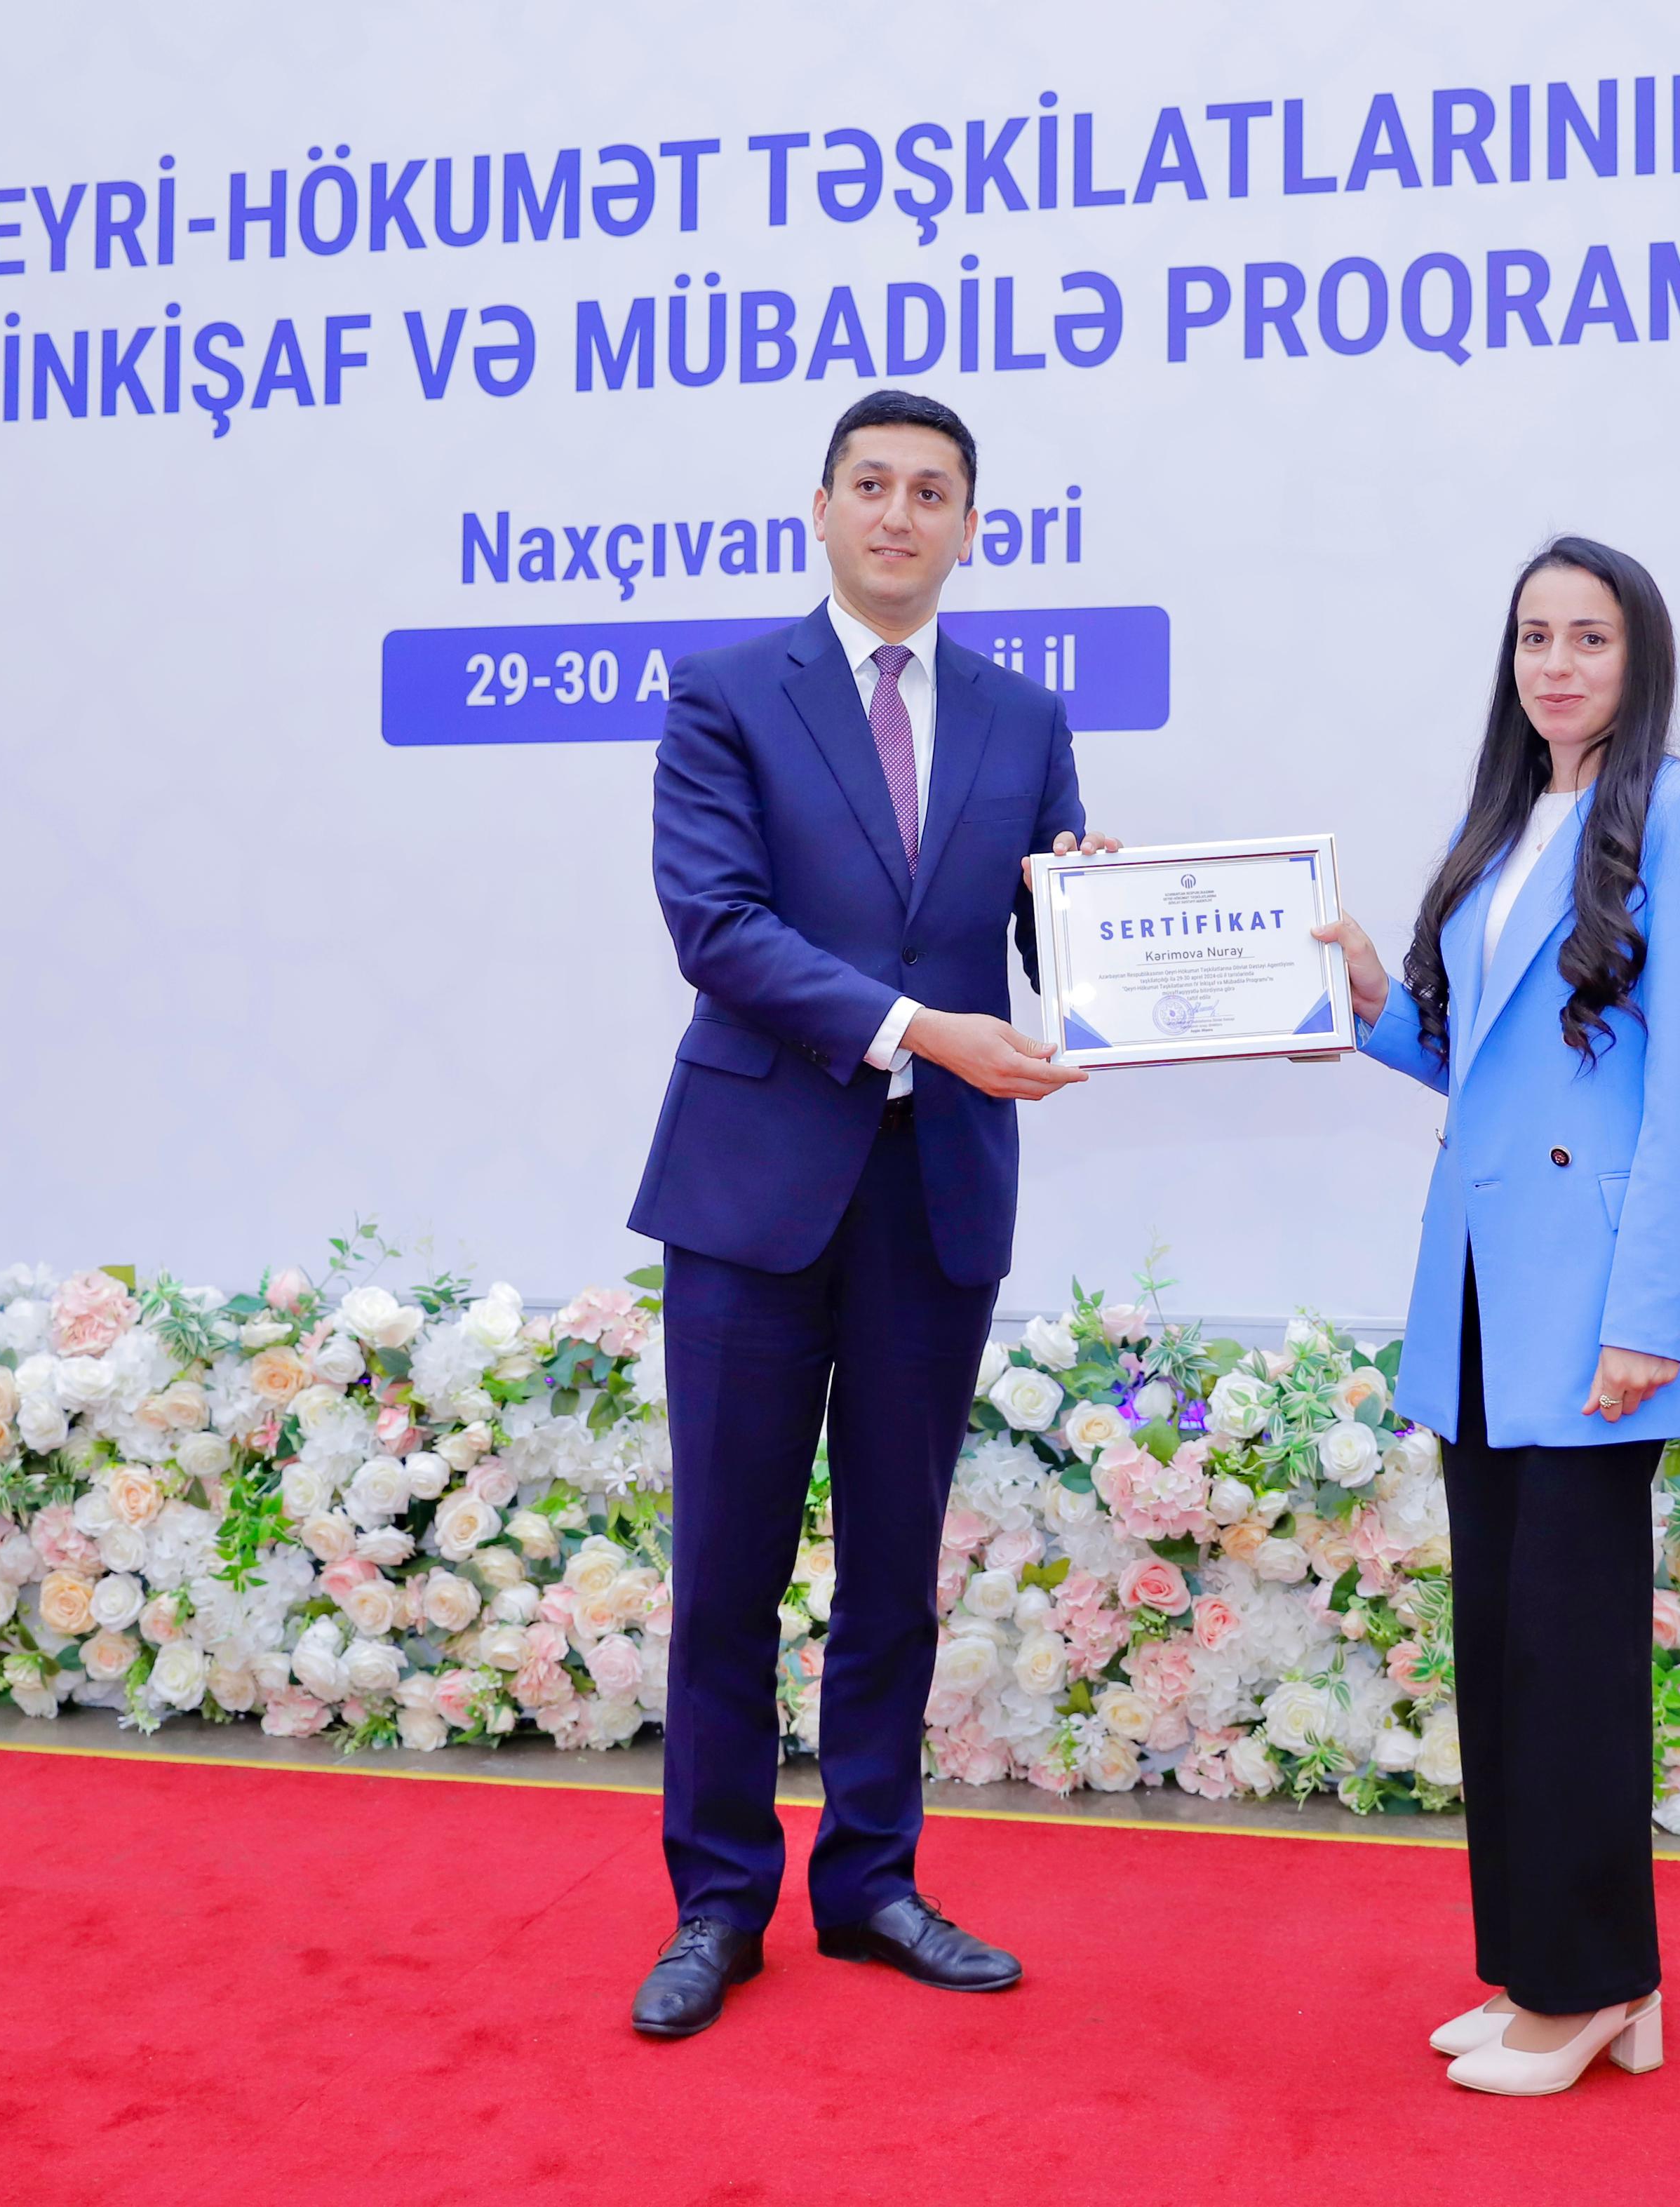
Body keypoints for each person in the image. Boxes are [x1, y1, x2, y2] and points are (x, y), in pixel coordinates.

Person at [624, 389, 1116, 2038]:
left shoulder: (1022, 716)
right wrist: (916, 1030)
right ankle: (717, 1902)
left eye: (931, 492)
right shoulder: (724, 694)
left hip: (936, 1192)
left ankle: (872, 1883)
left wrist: (1099, 911)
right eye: (873, 485)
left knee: (894, 1566)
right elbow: (716, 925)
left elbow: (1038, 949)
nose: (900, 514)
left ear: (971, 526)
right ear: (823, 508)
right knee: (728, 1569)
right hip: (753, 1190)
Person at [1313, 536, 1680, 2097]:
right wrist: (1366, 996)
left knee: (1569, 1655)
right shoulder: (1502, 820)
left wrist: (1648, 1314)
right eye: (1532, 637)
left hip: (1596, 1301)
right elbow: (1481, 1063)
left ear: (1640, 657)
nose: (1555, 665)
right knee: (1505, 1644)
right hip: (1481, 1287)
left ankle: (1588, 1987)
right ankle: (1546, 1970)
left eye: (1589, 637)